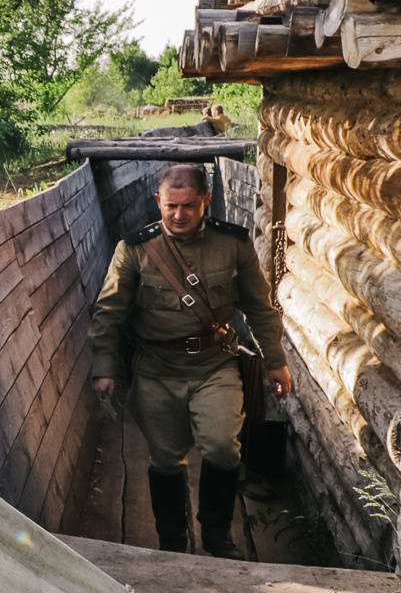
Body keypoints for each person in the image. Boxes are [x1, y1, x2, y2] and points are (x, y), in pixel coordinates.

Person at [86, 163, 293, 558]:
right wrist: (104, 368)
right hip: (156, 371)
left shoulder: (232, 243)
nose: (179, 215)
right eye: (171, 206)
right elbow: (108, 312)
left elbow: (260, 308)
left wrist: (274, 361)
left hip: (214, 366)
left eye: (189, 206)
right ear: (158, 202)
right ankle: (172, 543)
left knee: (221, 447)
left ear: (206, 202)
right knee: (165, 459)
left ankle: (217, 537)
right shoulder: (134, 248)